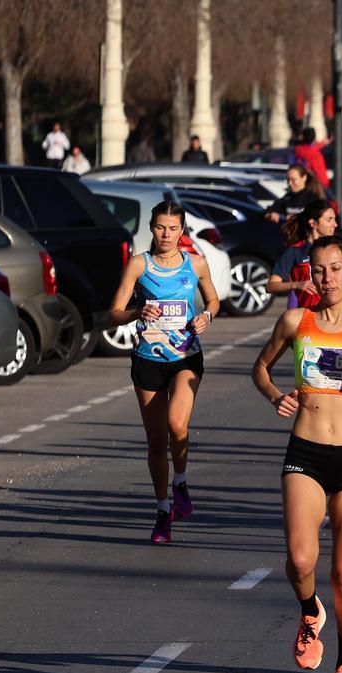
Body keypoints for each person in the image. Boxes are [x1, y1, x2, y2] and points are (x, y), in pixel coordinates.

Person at [251, 235, 342, 673]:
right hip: (306, 451)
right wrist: (276, 395)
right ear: (309, 274)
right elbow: (260, 368)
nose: (327, 277)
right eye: (319, 270)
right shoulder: (297, 320)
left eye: (335, 268)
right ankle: (309, 609)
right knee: (300, 559)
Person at [106, 201, 219, 543]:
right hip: (147, 358)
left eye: (173, 228)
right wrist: (136, 312)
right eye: (160, 227)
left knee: (176, 423)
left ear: (182, 230)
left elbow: (213, 301)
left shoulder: (195, 264)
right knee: (156, 441)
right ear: (152, 228)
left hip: (186, 356)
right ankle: (162, 510)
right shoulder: (139, 265)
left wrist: (206, 318)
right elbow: (113, 313)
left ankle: (181, 480)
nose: (166, 235)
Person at [268, 200, 338, 309]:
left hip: (334, 314)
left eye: (334, 219)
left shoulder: (336, 249)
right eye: (329, 220)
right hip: (307, 315)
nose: (335, 224)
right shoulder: (295, 251)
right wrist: (297, 285)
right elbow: (271, 286)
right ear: (313, 223)